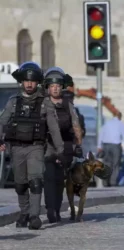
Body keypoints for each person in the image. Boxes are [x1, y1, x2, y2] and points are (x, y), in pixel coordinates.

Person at [0, 62, 65, 230]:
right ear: (22, 81)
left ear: (38, 82)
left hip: (36, 147)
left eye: (33, 81)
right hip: (16, 148)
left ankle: (35, 216)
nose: (29, 84)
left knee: (35, 181)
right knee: (20, 184)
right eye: (26, 81)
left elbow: (53, 128)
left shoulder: (45, 103)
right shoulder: (13, 102)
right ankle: (24, 212)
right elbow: (2, 122)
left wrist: (60, 150)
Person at [43, 67, 84, 223]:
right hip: (47, 145)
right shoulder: (43, 103)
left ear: (62, 87)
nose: (55, 88)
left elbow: (76, 125)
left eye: (58, 86)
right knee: (49, 178)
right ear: (48, 87)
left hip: (65, 145)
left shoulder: (67, 104)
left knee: (60, 179)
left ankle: (57, 209)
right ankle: (50, 209)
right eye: (52, 86)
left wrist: (78, 145)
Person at [98, 112, 124, 186]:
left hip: (105, 146)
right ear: (119, 117)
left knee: (106, 164)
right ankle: (113, 182)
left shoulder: (107, 123)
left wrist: (99, 146)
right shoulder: (120, 124)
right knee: (115, 164)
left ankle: (105, 182)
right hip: (116, 147)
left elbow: (101, 133)